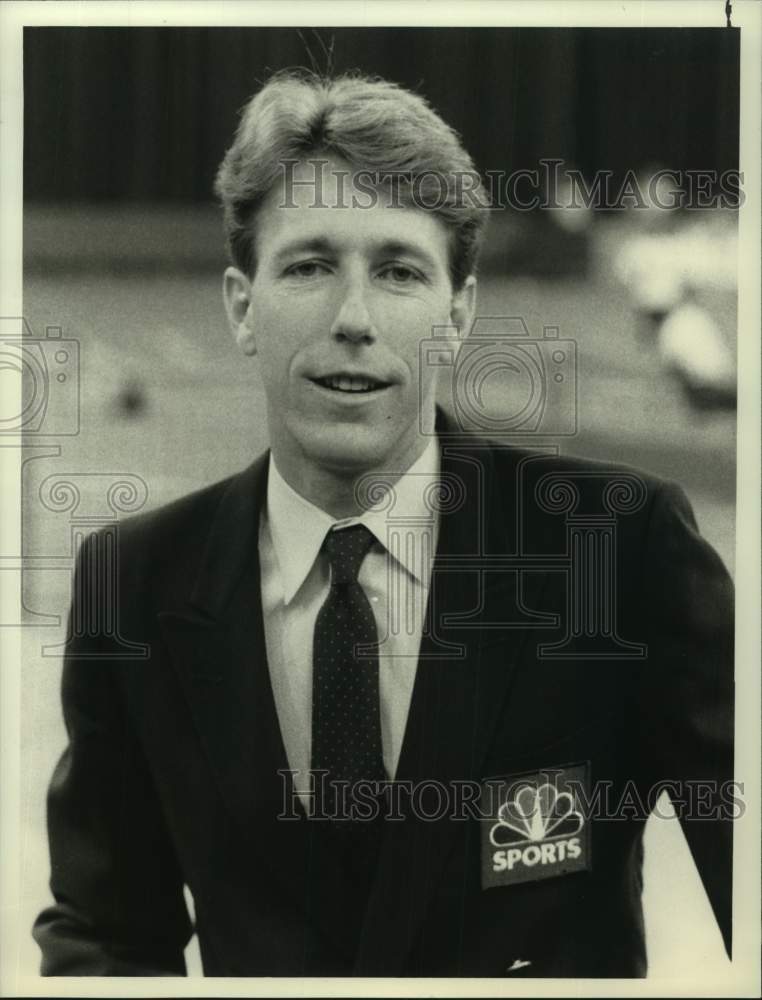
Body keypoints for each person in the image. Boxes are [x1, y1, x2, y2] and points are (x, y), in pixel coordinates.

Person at [33, 70, 734, 978]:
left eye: (399, 271)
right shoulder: (132, 584)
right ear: (243, 306)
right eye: (311, 265)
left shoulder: (620, 550)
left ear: (458, 311)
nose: (354, 318)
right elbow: (106, 939)